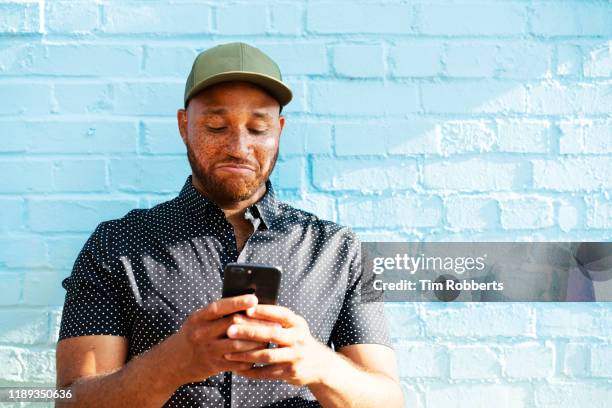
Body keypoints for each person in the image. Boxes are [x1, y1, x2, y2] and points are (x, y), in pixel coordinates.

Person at [55, 42, 403, 408]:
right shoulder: (116, 245)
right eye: (216, 126)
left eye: (257, 127)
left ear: (279, 130)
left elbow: (388, 400)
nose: (238, 147)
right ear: (183, 126)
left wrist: (319, 365)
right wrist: (173, 362)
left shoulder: (338, 250)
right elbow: (70, 400)